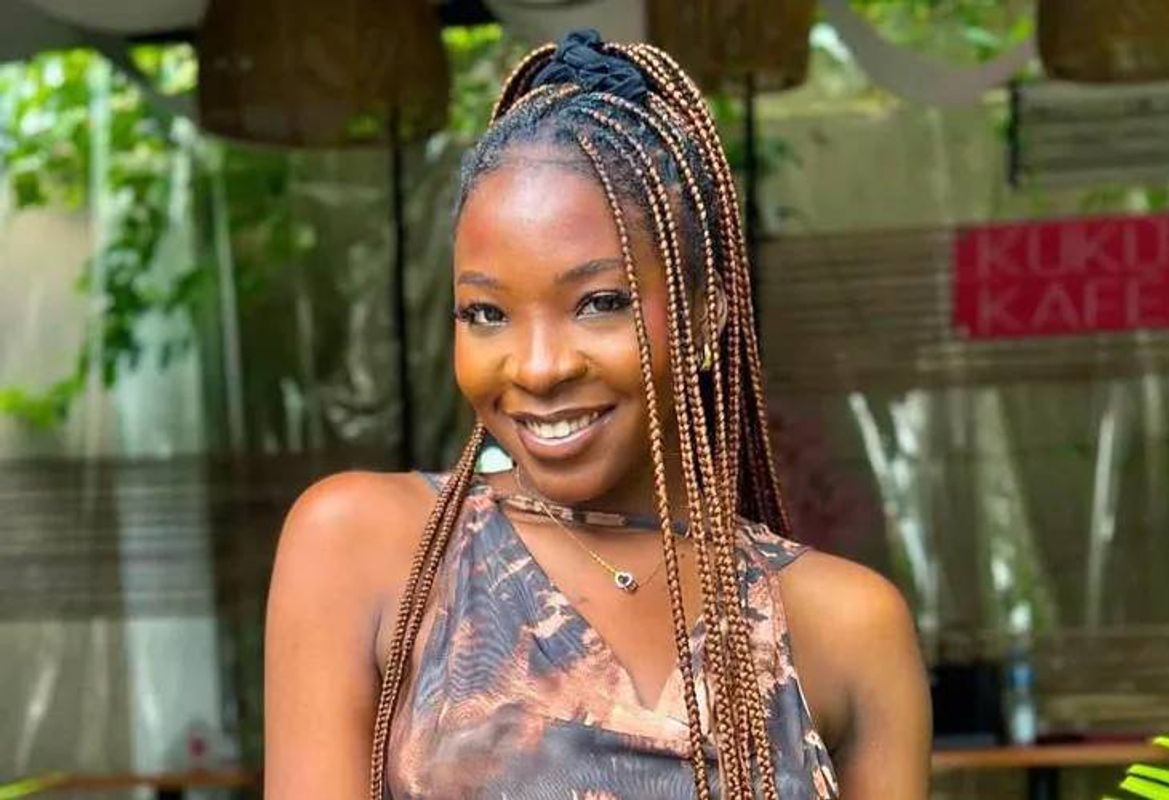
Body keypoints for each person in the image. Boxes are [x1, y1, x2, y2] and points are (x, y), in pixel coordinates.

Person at [265, 30, 930, 800]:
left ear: (704, 311)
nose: (539, 367)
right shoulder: (364, 545)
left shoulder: (848, 625)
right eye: (486, 313)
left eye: (599, 303)